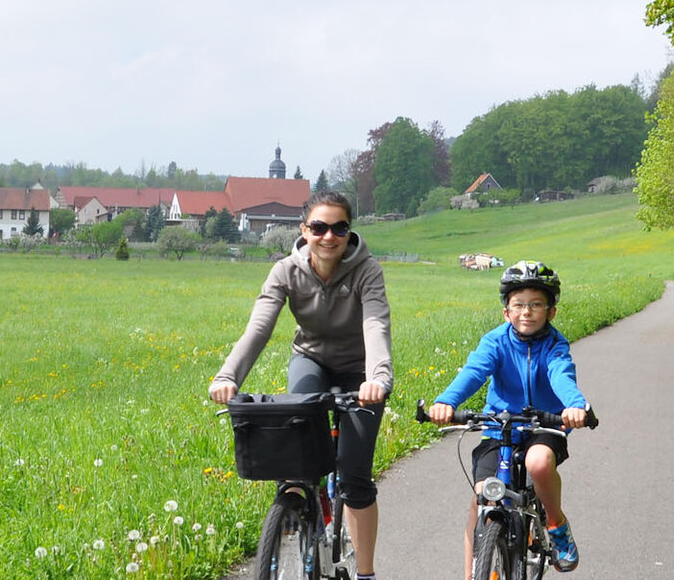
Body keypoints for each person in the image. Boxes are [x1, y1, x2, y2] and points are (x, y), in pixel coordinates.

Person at [208, 190, 391, 580]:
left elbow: (375, 324)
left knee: (355, 477)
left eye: (339, 227)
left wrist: (378, 377)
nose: (329, 236)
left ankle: (366, 573)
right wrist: (228, 376)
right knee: (295, 460)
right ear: (304, 230)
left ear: (349, 230)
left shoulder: (367, 270)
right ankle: (303, 504)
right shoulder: (285, 271)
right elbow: (258, 329)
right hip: (310, 360)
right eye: (319, 227)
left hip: (361, 372)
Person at [426, 260, 588, 573]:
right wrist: (445, 402)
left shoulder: (555, 345)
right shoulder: (495, 341)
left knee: (538, 463)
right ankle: (476, 571)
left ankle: (556, 525)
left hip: (545, 426)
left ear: (551, 312)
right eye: (519, 305)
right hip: (500, 428)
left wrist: (575, 405)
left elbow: (561, 376)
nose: (527, 311)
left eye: (536, 304)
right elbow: (474, 372)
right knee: (481, 500)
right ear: (506, 312)